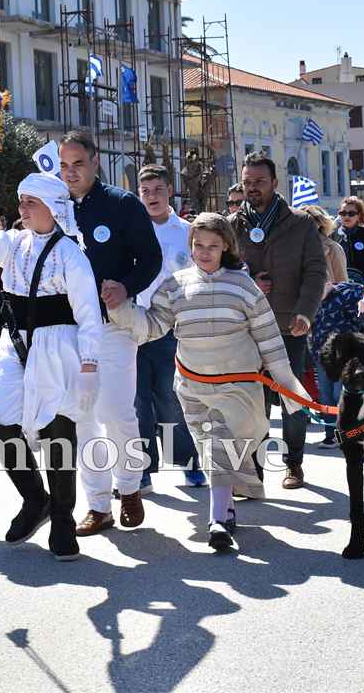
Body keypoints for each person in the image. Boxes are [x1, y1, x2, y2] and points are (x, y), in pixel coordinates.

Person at [108, 212, 309, 552]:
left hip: (239, 388)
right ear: (191, 246)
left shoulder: (244, 285)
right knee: (212, 449)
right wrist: (120, 309)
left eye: (212, 246)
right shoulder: (174, 286)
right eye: (198, 245)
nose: (204, 252)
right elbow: (152, 327)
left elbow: (269, 336)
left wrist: (287, 382)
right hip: (194, 388)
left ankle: (217, 520)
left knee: (220, 446)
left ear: (226, 246)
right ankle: (225, 510)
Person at [0, 173, 100, 561]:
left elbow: (89, 315)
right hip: (16, 345)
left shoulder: (71, 254)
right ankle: (35, 498)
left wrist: (89, 364)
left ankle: (63, 519)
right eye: (21, 201)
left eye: (31, 202)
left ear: (52, 207)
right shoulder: (13, 242)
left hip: (59, 347)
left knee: (57, 426)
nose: (22, 209)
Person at [57, 130, 162, 534]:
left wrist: (126, 286)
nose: (70, 172)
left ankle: (130, 488)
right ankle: (98, 506)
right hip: (68, 330)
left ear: (95, 161)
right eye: (64, 165)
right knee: (83, 418)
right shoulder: (56, 206)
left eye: (78, 164)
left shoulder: (123, 204)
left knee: (116, 412)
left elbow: (150, 258)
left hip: (114, 326)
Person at [229, 153, 326, 490]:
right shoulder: (231, 225)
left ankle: (293, 464)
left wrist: (305, 313)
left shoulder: (300, 224)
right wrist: (247, 278)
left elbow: (316, 271)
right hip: (245, 328)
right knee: (251, 401)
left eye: (259, 181)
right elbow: (219, 270)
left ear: (274, 183)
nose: (252, 188)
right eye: (247, 182)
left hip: (288, 325)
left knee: (291, 399)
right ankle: (253, 466)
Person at [134, 164, 205, 489]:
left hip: (172, 328)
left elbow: (199, 276)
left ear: (170, 190)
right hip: (134, 324)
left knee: (170, 396)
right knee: (137, 401)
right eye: (146, 191)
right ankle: (144, 469)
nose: (152, 197)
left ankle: (188, 462)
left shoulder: (187, 231)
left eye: (158, 190)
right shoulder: (131, 228)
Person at [302, 204, 354, 447]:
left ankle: (344, 430)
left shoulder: (333, 249)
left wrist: (329, 291)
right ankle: (329, 432)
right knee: (322, 385)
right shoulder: (298, 250)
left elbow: (345, 285)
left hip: (334, 321)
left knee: (338, 385)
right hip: (311, 322)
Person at [334, 196, 364, 279]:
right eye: (343, 213)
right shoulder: (332, 235)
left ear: (359, 215)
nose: (347, 217)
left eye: (351, 213)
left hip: (363, 283)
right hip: (338, 283)